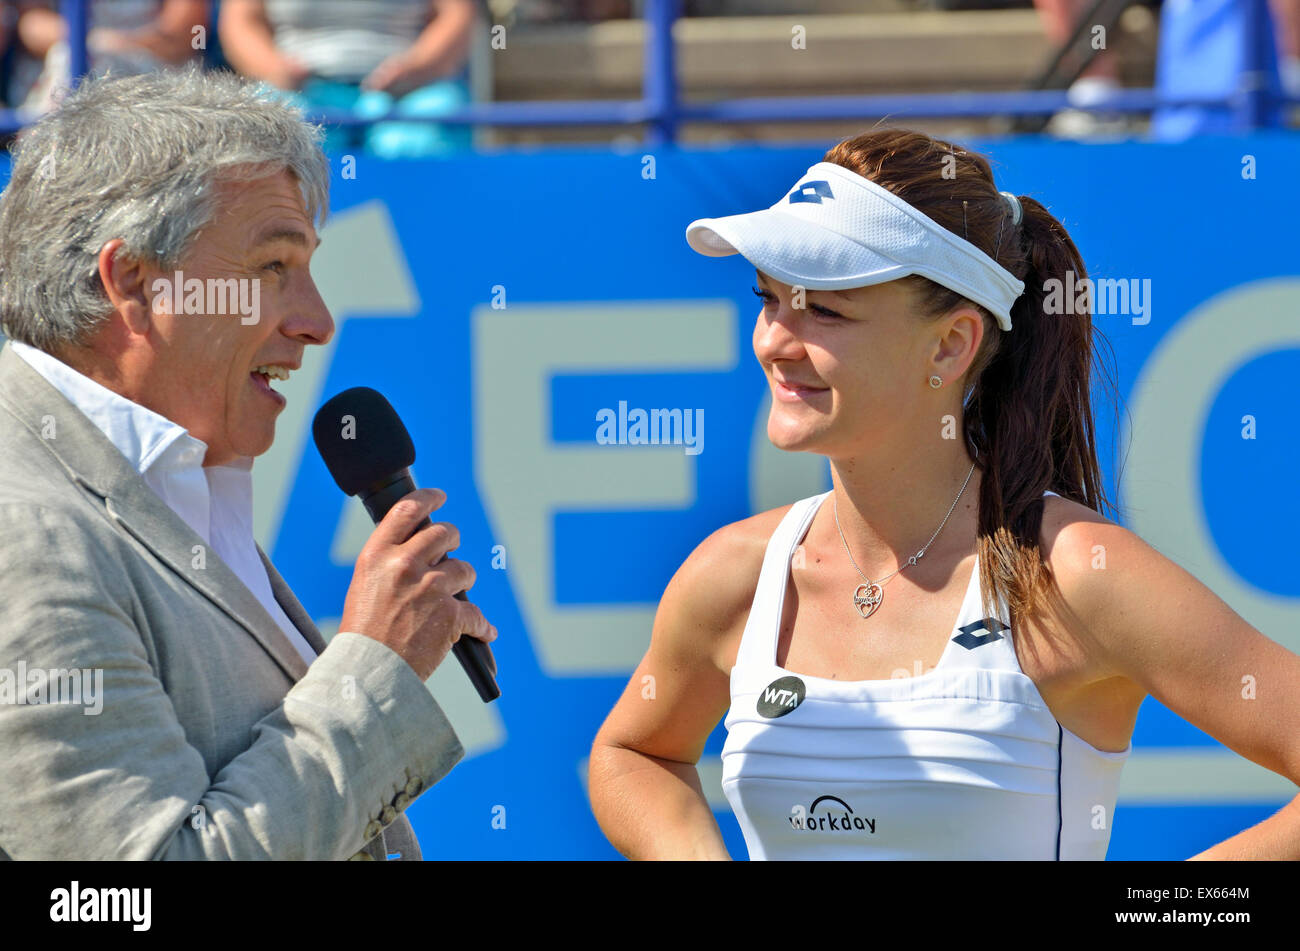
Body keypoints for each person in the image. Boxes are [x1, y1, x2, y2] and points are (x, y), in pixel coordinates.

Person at [588, 128, 1300, 860]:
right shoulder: (735, 573)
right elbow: (633, 752)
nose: (776, 340)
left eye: (825, 311)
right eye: (768, 300)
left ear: (951, 345)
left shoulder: (1076, 572)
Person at [0, 66, 497, 860]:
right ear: (133, 280)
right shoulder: (25, 532)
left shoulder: (165, 479)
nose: (318, 321)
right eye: (273, 268)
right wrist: (375, 667)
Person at [218, 0, 477, 158]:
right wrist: (275, 68)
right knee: (278, 142)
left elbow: (455, 15)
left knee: (420, 138)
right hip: (300, 91)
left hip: (409, 91)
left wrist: (417, 67)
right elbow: (241, 21)